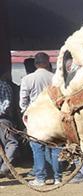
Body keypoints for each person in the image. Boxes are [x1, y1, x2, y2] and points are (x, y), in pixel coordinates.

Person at [20, 52, 60, 186]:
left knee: (38, 148)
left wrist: (25, 112)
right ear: (48, 62)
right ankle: (57, 177)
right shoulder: (55, 78)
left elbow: (23, 101)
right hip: (53, 116)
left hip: (35, 117)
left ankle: (40, 177)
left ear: (35, 64)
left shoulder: (28, 79)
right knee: (55, 148)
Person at [0, 73, 19, 178]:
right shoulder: (4, 85)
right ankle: (5, 168)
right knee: (12, 142)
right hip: (3, 119)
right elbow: (7, 103)